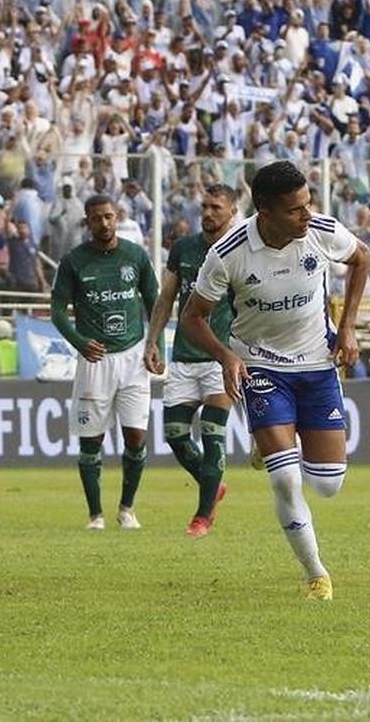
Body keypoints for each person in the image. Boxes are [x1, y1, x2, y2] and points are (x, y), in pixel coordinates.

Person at [181, 160, 370, 600]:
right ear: (264, 212)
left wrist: (349, 327)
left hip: (317, 364)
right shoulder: (228, 253)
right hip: (261, 366)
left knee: (327, 484)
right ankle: (316, 574)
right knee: (285, 479)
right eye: (295, 210)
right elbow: (193, 317)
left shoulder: (321, 230)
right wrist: (225, 355)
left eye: (308, 205)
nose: (307, 215)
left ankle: (271, 444)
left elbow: (362, 258)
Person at [50, 194, 160, 530]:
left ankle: (127, 509)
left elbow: (156, 303)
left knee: (137, 438)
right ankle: (95, 515)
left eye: (109, 216)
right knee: (91, 441)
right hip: (95, 362)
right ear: (88, 221)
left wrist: (157, 347)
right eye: (97, 218)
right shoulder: (73, 262)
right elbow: (57, 311)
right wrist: (80, 343)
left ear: (117, 216)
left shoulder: (135, 256)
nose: (104, 223)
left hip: (133, 358)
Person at [144, 184, 237, 538]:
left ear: (232, 212)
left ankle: (202, 516)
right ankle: (213, 485)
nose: (209, 213)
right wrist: (152, 341)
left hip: (220, 358)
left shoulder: (238, 250)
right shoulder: (183, 249)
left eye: (216, 207)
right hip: (183, 357)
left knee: (213, 435)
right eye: (205, 206)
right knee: (175, 435)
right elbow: (166, 298)